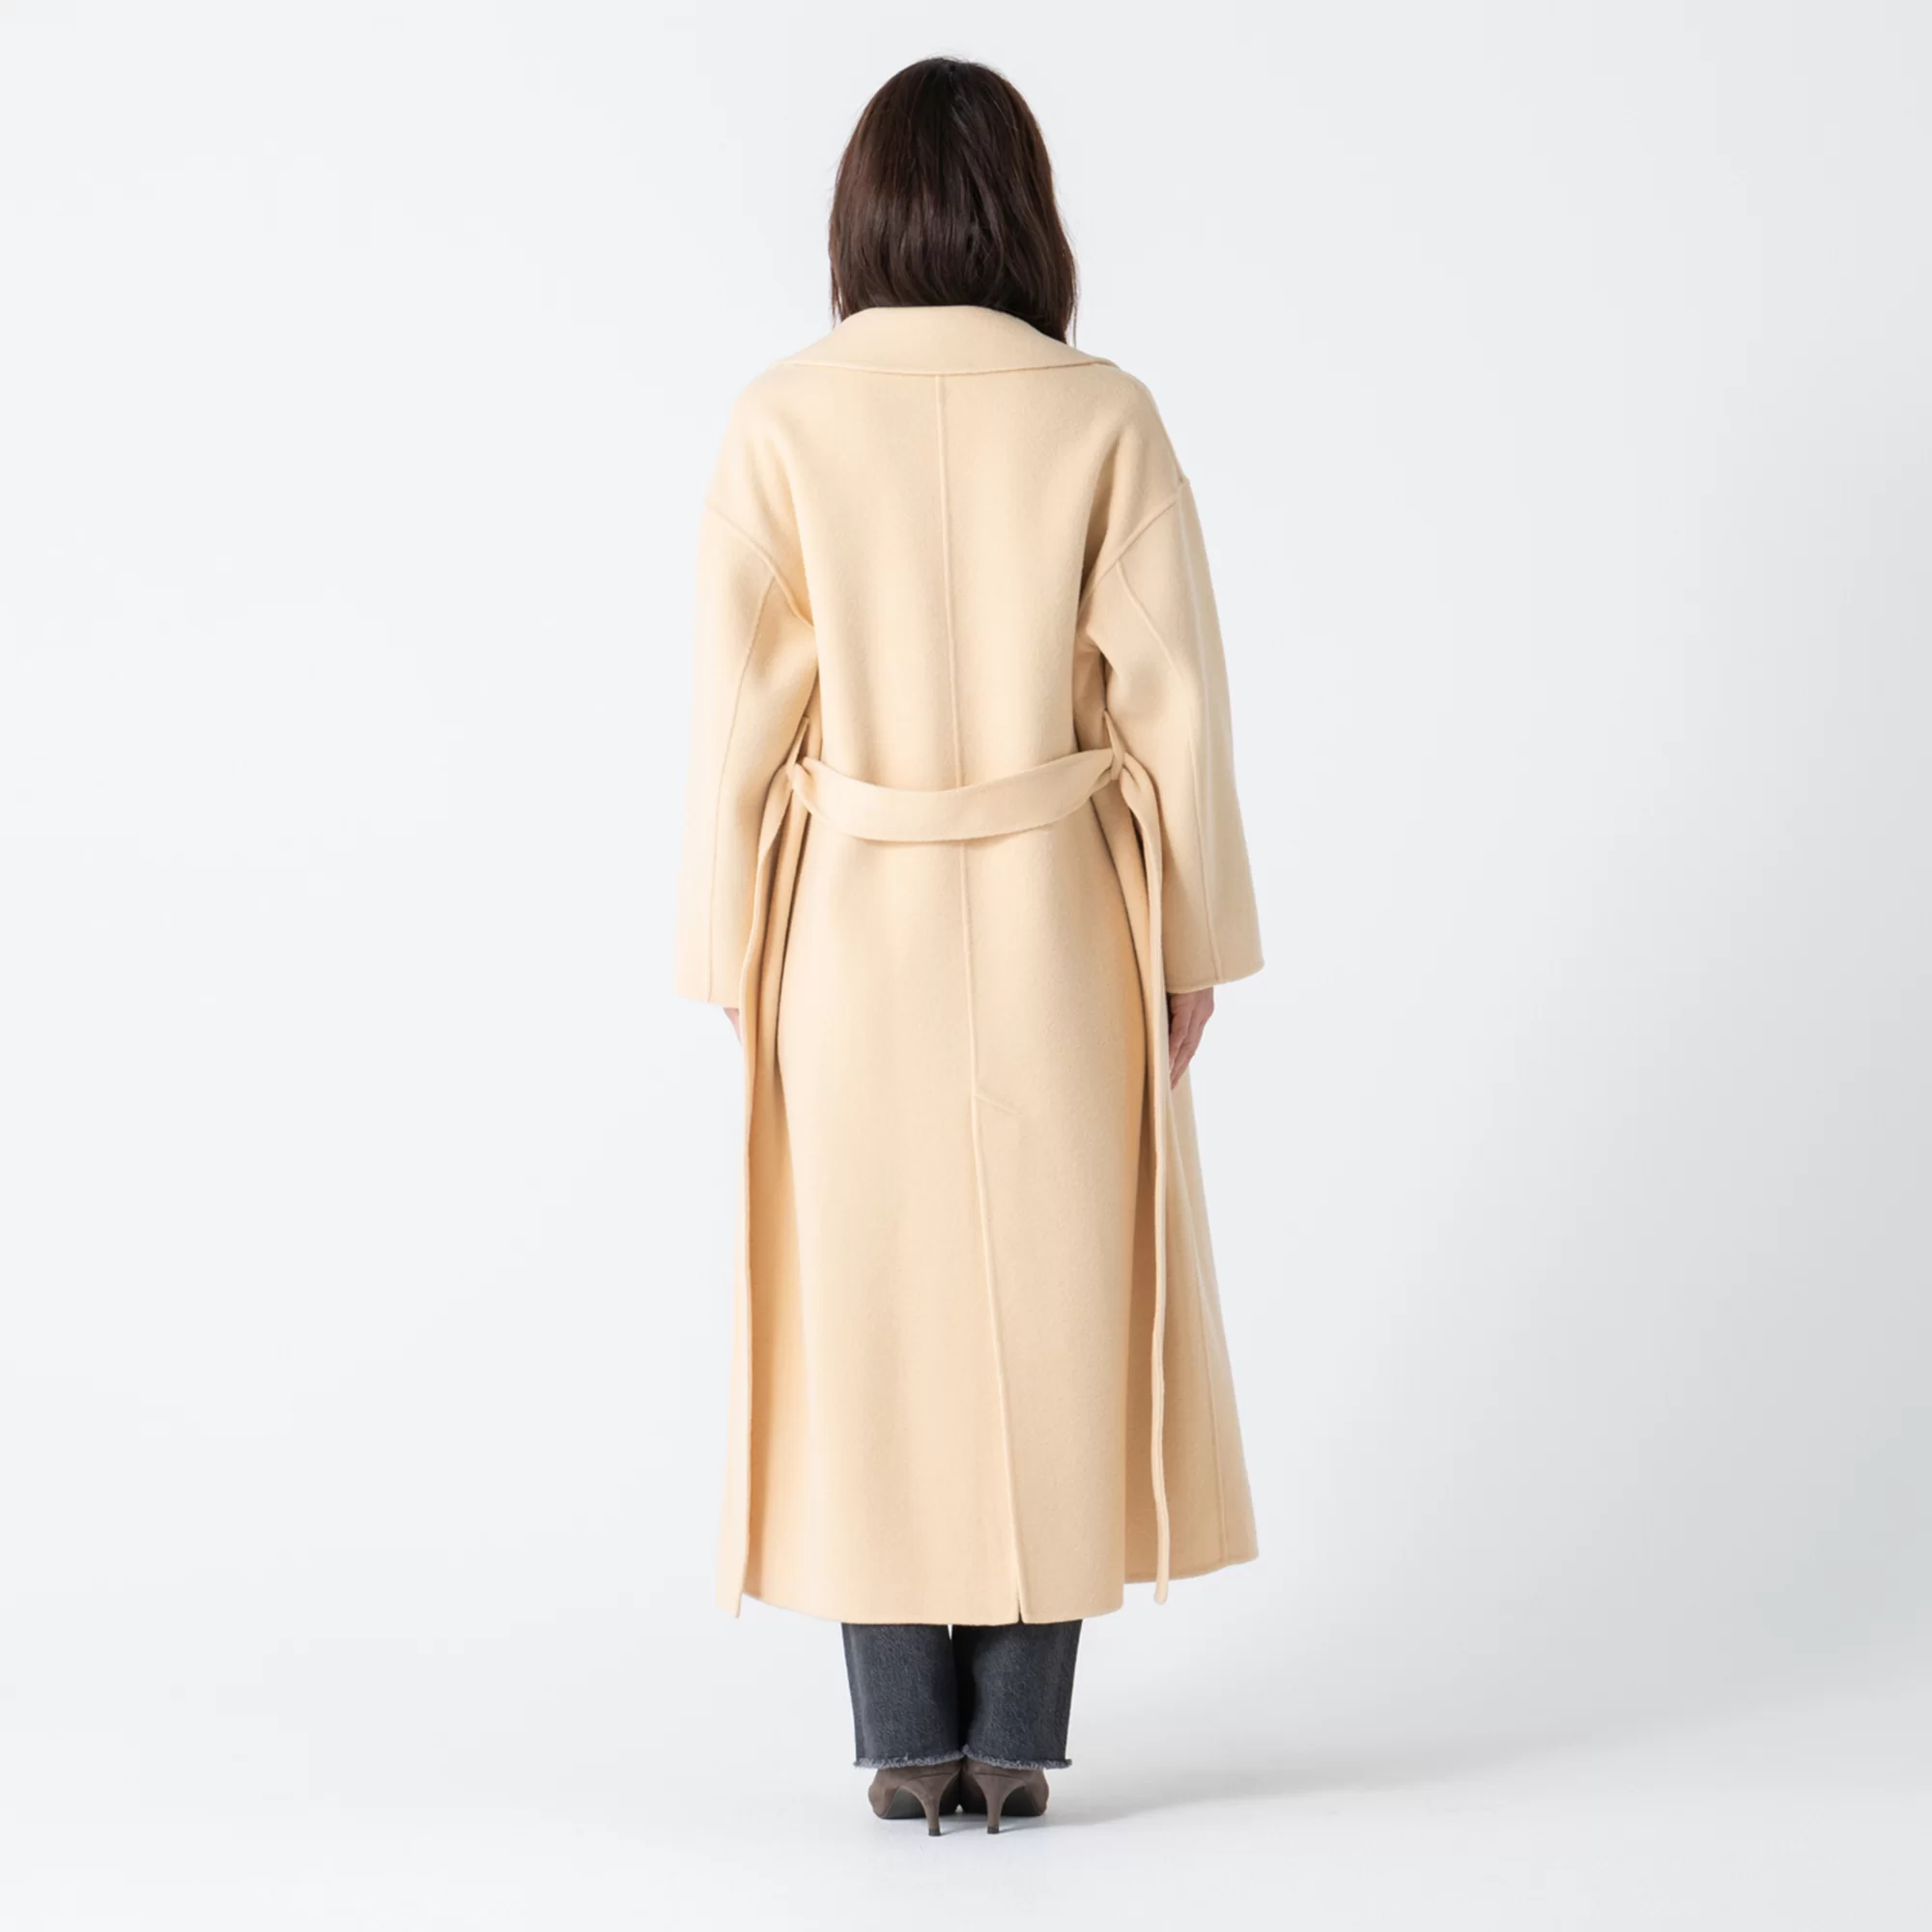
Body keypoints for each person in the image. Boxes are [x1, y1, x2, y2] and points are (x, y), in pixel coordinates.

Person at [673, 56, 1264, 1834]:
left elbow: (734, 723)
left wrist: (730, 951)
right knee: (1053, 1306)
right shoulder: (1104, 416)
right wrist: (1191, 939)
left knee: (867, 1316)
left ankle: (901, 1742)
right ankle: (1014, 1739)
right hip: (1057, 914)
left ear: (859, 217)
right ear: (1026, 213)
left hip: (847, 927)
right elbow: (1176, 703)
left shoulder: (781, 422)